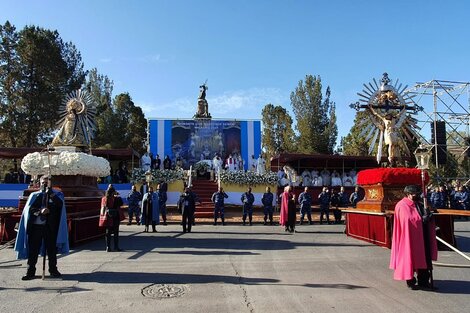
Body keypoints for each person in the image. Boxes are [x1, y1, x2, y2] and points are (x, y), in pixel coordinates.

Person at [14, 175, 69, 280]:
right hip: (36, 227)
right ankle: (30, 271)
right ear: (40, 183)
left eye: (47, 182)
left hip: (50, 227)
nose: (45, 184)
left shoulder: (57, 195)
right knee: (33, 250)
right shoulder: (34, 195)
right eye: (43, 182)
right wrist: (39, 212)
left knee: (51, 250)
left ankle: (53, 269)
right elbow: (30, 209)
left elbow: (59, 207)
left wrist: (51, 195)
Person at [390, 185, 438, 290]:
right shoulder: (402, 205)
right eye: (414, 194)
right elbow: (408, 220)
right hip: (410, 238)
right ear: (408, 194)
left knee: (425, 257)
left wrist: (429, 215)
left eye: (417, 193)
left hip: (423, 235)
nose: (417, 195)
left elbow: (428, 211)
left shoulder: (420, 203)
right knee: (410, 256)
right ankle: (410, 280)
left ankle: (424, 281)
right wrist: (422, 220)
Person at [101, 185, 124, 252]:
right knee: (116, 232)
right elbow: (121, 204)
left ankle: (108, 247)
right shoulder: (116, 198)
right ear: (113, 192)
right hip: (116, 216)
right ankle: (116, 247)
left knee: (108, 232)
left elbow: (103, 208)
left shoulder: (104, 198)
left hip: (108, 216)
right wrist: (117, 195)